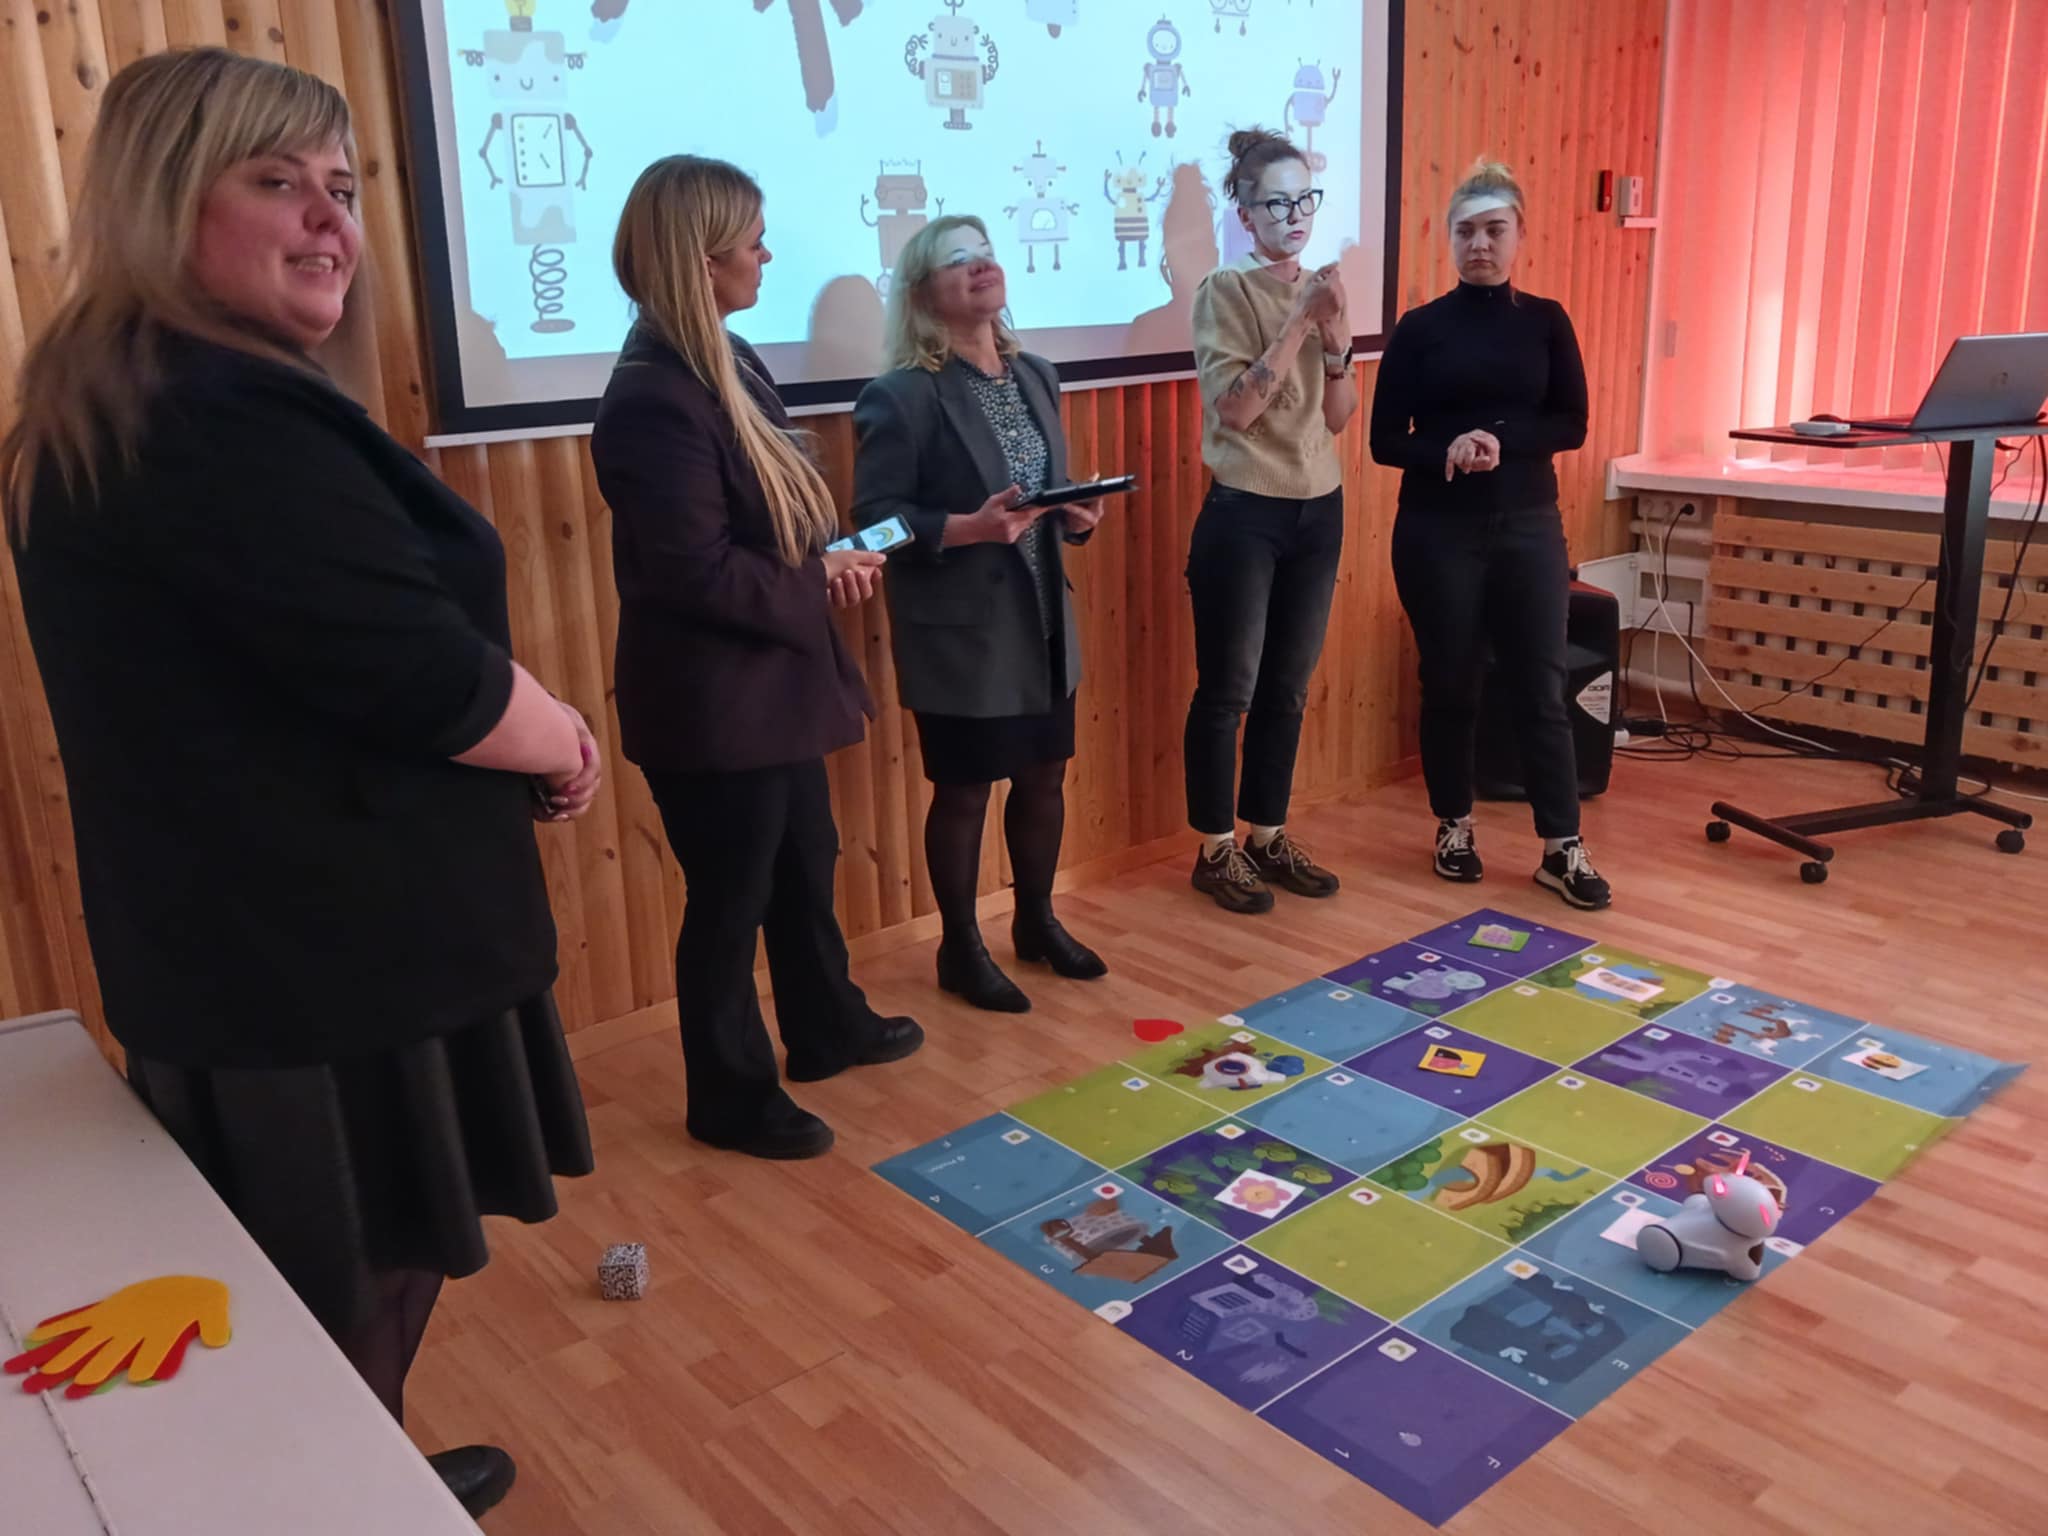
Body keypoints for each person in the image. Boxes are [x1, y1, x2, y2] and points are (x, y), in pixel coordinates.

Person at [0, 49, 599, 1519]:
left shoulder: (136, 394)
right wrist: (565, 740)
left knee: (334, 1291)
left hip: (278, 958)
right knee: (339, 1291)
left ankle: (365, 1467)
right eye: (279, 183)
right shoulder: (217, 412)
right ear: (164, 199)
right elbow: (418, 673)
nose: (334, 221)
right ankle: (348, 1495)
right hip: (333, 975)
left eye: (341, 187)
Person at [590, 156, 923, 1160]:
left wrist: (832, 558)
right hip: (712, 703)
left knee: (804, 865)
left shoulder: (726, 359)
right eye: (752, 241)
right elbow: (693, 574)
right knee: (729, 902)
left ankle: (825, 1026)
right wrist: (818, 580)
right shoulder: (652, 397)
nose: (766, 256)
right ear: (701, 260)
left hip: (770, 689)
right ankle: (729, 1096)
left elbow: (763, 531)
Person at [850, 216, 1109, 1014]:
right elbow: (870, 530)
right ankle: (959, 949)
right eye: (956, 260)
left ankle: (1036, 922)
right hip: (961, 636)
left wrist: (1075, 516)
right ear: (922, 294)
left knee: (1044, 776)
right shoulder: (901, 394)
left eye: (985, 252)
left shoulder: (1036, 374)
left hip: (1042, 621)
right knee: (965, 793)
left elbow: (1038, 498)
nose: (980, 266)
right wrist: (967, 528)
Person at [1369, 159, 1612, 911]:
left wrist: (1500, 439)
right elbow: (1384, 440)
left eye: (1494, 230)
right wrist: (1445, 447)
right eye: (1466, 231)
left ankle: (1561, 846)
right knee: (1450, 681)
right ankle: (1454, 827)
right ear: (1449, 239)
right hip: (1437, 530)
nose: (1480, 244)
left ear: (1518, 236)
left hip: (1529, 526)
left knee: (1541, 685)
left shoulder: (1546, 321)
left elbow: (1571, 422)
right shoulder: (1419, 329)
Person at [1183, 128, 1357, 915]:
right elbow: (1237, 410)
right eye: (1276, 204)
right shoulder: (1225, 290)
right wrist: (1298, 323)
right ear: (1246, 214)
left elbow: (1340, 415)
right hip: (1245, 508)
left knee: (1287, 688)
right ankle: (1214, 848)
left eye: (1304, 200)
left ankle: (1267, 834)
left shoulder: (1322, 286)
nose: (1295, 216)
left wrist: (1338, 337)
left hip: (1319, 504)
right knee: (1230, 689)